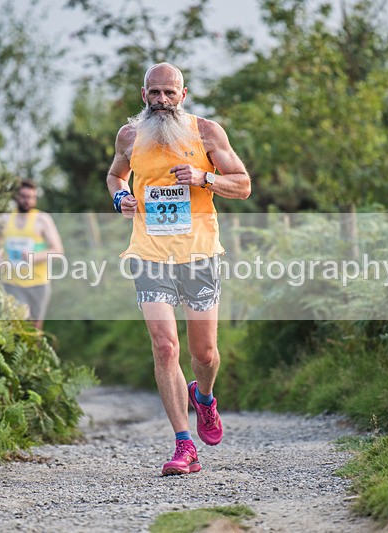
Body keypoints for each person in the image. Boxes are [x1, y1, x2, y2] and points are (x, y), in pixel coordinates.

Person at [106, 63, 251, 476]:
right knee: (166, 346)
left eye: (170, 93)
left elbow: (242, 184)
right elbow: (116, 176)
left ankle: (204, 397)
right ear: (143, 94)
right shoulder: (129, 135)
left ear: (183, 95)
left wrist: (205, 178)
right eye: (155, 93)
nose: (162, 101)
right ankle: (184, 446)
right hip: (149, 253)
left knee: (203, 355)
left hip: (200, 254)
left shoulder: (207, 132)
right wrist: (120, 199)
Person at [0, 179, 63, 329]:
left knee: (34, 328)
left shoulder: (42, 220)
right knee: (20, 319)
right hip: (12, 282)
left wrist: (33, 256)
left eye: (31, 197)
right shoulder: (4, 219)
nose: (27, 201)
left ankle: (32, 352)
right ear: (16, 197)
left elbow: (57, 251)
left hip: (38, 283)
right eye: (24, 196)